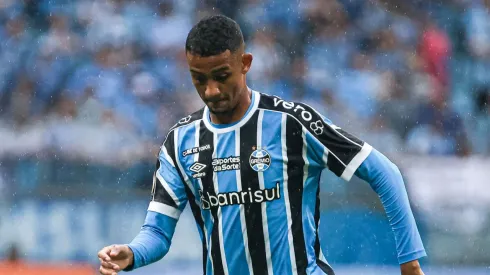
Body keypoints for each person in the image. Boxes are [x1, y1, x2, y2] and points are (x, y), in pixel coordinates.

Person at [98, 15, 426, 275]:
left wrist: (410, 262)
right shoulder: (180, 141)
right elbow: (157, 232)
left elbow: (385, 172)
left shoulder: (291, 123)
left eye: (221, 76)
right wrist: (131, 255)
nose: (210, 90)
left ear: (245, 64)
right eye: (199, 78)